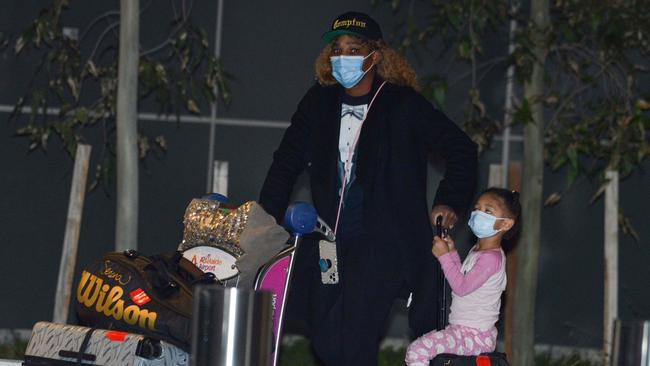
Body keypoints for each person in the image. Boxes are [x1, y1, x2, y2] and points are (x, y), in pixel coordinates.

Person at [259, 11, 478, 365]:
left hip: (383, 243)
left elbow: (461, 149)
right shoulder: (319, 103)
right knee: (327, 337)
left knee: (355, 330)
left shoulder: (401, 104)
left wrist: (449, 200)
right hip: (330, 243)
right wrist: (264, 222)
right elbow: (285, 163)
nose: (343, 58)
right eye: (338, 50)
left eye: (354, 49)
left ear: (375, 55)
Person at [405, 188, 521, 366]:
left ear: (506, 224)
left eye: (488, 211)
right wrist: (451, 254)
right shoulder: (479, 251)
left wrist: (443, 257)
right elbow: (463, 277)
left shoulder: (492, 258)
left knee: (418, 351)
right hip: (463, 330)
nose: (478, 214)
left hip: (474, 335)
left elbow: (461, 287)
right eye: (477, 208)